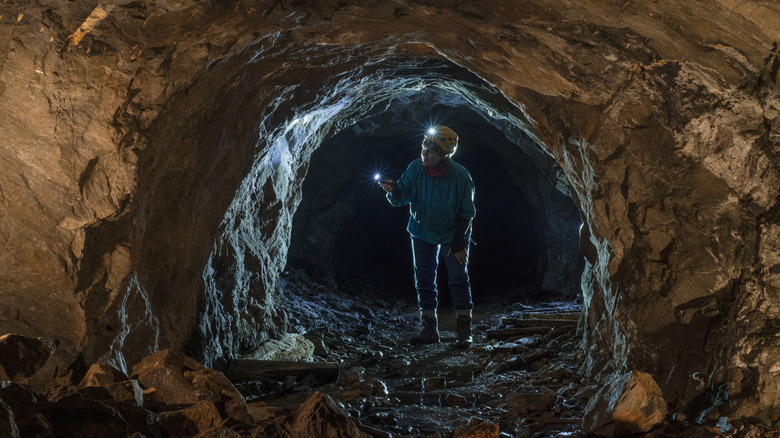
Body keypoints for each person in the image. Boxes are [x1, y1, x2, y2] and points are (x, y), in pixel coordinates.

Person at [379, 125, 476, 348]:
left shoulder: (461, 176)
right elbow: (401, 197)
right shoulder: (415, 168)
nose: (425, 153)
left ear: (444, 155)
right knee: (424, 279)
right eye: (424, 147)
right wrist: (393, 190)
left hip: (453, 235)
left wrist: (459, 243)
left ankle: (464, 330)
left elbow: (467, 213)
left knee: (458, 278)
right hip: (421, 232)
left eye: (432, 150)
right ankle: (430, 329)